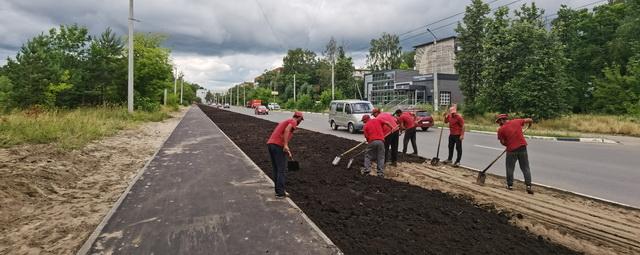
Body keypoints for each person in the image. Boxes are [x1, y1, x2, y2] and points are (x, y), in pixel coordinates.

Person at [267, 112, 304, 198]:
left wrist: (287, 148)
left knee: (276, 169)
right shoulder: (293, 121)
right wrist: (285, 145)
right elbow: (287, 130)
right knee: (281, 170)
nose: (300, 122)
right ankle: (280, 193)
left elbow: (282, 135)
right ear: (298, 117)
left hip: (271, 145)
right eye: (301, 119)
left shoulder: (286, 121)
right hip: (277, 146)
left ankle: (278, 191)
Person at [496, 114, 534, 194]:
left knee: (510, 168)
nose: (499, 123)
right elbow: (529, 120)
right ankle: (528, 186)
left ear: (502, 120)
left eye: (499, 121)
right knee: (525, 167)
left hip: (511, 150)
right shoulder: (517, 121)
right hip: (522, 147)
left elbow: (502, 142)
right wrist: (530, 125)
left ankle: (510, 185)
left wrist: (508, 144)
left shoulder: (501, 130)